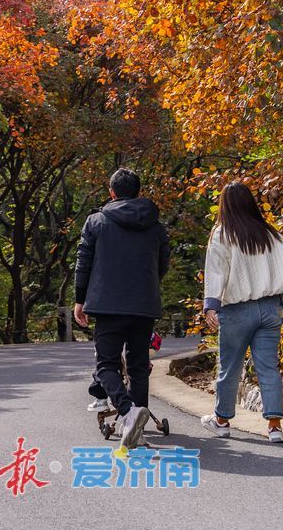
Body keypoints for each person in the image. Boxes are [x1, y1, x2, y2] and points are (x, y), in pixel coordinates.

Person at [74, 167, 170, 451]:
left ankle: (128, 414)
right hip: (143, 304)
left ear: (112, 193)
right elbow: (161, 265)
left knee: (106, 364)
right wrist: (146, 287)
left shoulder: (96, 221)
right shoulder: (156, 226)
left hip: (107, 304)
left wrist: (81, 300)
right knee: (139, 366)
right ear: (137, 193)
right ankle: (136, 426)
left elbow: (84, 263)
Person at [201, 181, 283, 444]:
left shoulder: (222, 234)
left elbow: (216, 272)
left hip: (237, 310)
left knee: (230, 367)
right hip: (270, 308)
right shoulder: (272, 234)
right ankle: (275, 427)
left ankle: (222, 421)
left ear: (225, 205)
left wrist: (211, 305)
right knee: (268, 368)